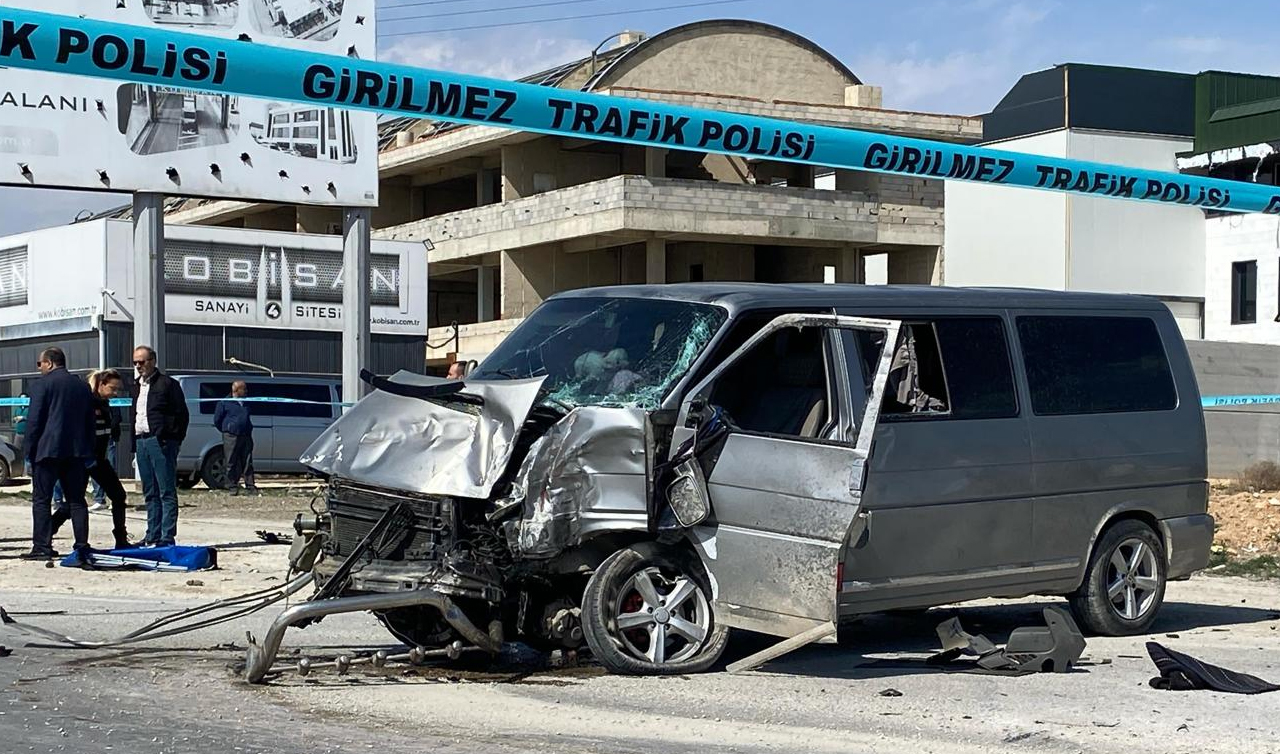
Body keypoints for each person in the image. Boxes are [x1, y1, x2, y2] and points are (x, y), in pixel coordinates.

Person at [21, 347, 95, 564]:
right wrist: (88, 448)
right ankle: (81, 546)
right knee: (77, 501)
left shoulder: (42, 385)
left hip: (47, 451)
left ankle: (42, 546)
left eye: (40, 364)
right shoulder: (82, 387)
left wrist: (29, 449)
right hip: (76, 451)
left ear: (50, 363)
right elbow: (89, 421)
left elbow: (34, 420)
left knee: (42, 499)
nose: (39, 368)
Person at [131, 346, 189, 548]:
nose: (139, 366)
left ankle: (167, 536)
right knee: (150, 491)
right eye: (135, 363)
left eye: (142, 362)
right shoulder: (136, 386)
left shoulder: (167, 384)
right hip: (141, 440)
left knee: (166, 491)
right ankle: (152, 534)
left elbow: (182, 415)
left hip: (161, 442)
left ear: (153, 361)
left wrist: (173, 439)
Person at [214, 380, 257, 496]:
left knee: (247, 461)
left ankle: (250, 486)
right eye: (244, 389)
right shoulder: (224, 402)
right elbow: (217, 420)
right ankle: (231, 486)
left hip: (245, 435)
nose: (246, 391)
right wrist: (228, 429)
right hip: (231, 436)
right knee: (231, 461)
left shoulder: (247, 402)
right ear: (236, 390)